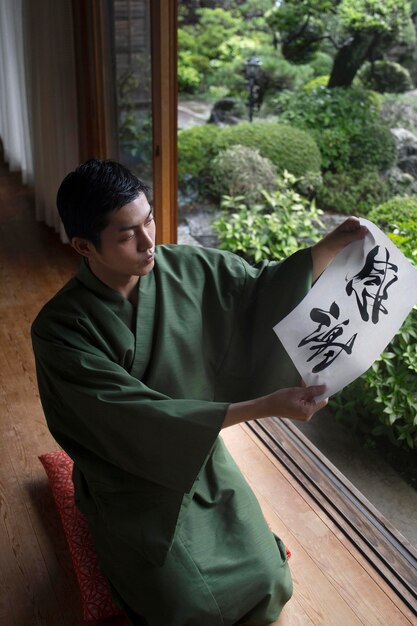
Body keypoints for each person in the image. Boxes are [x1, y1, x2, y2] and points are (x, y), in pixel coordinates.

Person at [31, 159, 367, 626]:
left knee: (270, 582)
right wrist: (265, 406)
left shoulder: (185, 267)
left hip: (200, 454)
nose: (150, 242)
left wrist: (326, 249)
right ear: (84, 245)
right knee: (190, 609)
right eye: (128, 234)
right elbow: (132, 421)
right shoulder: (60, 330)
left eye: (148, 219)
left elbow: (259, 293)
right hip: (129, 478)